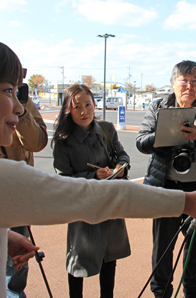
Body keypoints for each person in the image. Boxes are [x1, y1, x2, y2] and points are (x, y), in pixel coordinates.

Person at [0, 31, 196, 298]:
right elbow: (97, 197)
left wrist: (0, 236)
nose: (19, 106)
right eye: (8, 91)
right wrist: (188, 202)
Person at [136, 60, 196, 298]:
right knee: (162, 249)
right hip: (166, 189)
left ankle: (192, 290)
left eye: (195, 81)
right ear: (173, 83)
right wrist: (164, 134)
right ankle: (161, 293)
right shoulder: (158, 106)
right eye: (184, 80)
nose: (189, 86)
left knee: (195, 249)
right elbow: (141, 142)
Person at [53, 84, 130, 298]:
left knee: (109, 257)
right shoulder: (63, 141)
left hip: (109, 203)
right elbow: (63, 179)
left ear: (95, 104)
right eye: (77, 107)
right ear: (68, 109)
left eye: (88, 104)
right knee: (78, 260)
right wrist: (92, 177)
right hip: (82, 207)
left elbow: (123, 155)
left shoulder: (107, 129)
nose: (84, 111)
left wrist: (120, 168)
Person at [3, 80, 48, 298]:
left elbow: (38, 142)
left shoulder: (23, 100)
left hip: (19, 194)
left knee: (18, 262)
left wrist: (20, 113)